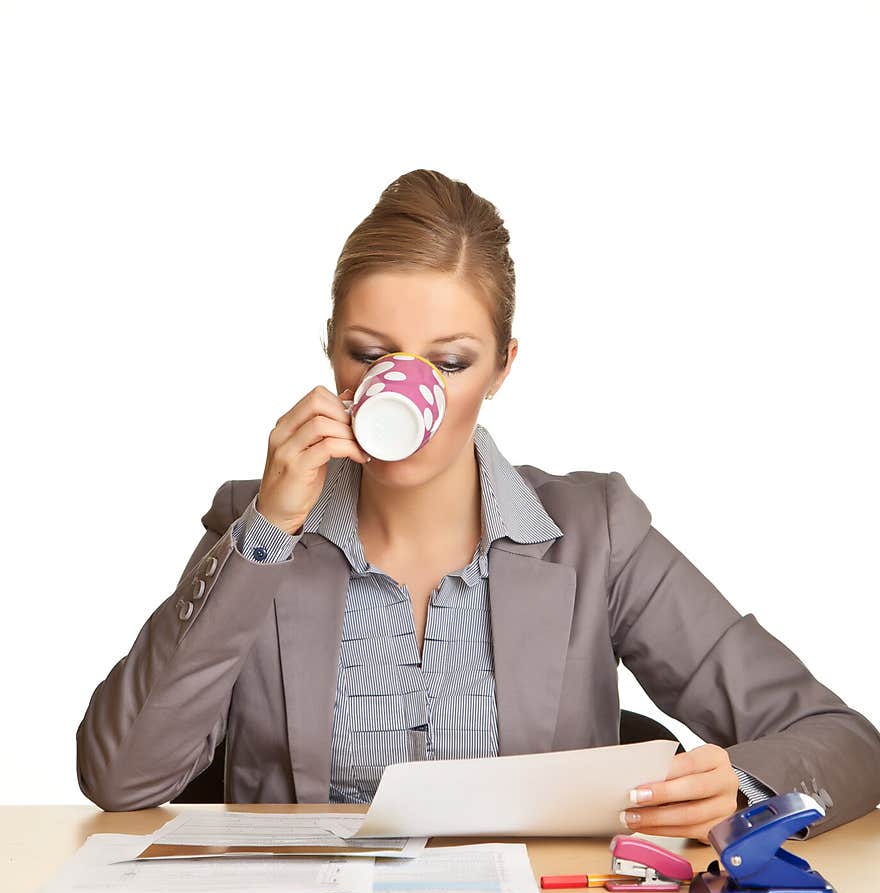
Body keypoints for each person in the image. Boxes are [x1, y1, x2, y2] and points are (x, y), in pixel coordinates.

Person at [76, 168, 880, 843]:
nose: (406, 390)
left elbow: (848, 743)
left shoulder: (594, 534)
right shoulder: (258, 531)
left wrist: (742, 786)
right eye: (370, 354)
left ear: (501, 366)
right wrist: (268, 530)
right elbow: (120, 776)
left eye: (450, 362)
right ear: (331, 350)